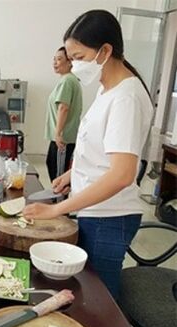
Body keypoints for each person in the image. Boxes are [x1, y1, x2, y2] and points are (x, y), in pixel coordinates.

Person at [23, 10, 153, 300]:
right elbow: (102, 153)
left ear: (105, 51)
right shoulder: (108, 89)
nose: (74, 65)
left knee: (100, 301)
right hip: (94, 208)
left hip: (110, 215)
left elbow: (121, 174)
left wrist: (57, 209)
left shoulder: (125, 97)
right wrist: (72, 175)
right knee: (87, 292)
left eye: (79, 57)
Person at [45, 46, 83, 182]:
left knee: (59, 176)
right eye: (54, 59)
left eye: (59, 59)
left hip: (62, 139)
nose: (55, 62)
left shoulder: (67, 81)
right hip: (61, 137)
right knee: (52, 166)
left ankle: (59, 202)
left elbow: (63, 108)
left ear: (70, 62)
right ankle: (58, 201)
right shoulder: (68, 80)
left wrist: (58, 133)